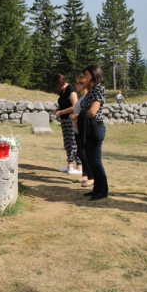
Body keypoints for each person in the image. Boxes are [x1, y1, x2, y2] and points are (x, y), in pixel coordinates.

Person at [80, 65, 109, 201]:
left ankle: (102, 190)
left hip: (95, 128)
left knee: (96, 161)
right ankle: (96, 188)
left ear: (94, 74)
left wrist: (79, 116)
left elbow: (92, 111)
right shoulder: (92, 89)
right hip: (89, 128)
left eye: (87, 74)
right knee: (91, 159)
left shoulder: (98, 88)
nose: (85, 77)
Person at [52, 73, 82, 175]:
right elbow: (63, 105)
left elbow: (75, 106)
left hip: (71, 120)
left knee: (73, 143)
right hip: (64, 120)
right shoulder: (62, 91)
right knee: (67, 143)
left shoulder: (71, 89)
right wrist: (57, 110)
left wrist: (61, 112)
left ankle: (79, 166)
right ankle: (70, 165)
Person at [69, 75, 94, 186]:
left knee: (82, 152)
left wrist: (75, 117)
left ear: (83, 85)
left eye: (77, 84)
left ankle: (91, 176)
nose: (76, 86)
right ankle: (85, 175)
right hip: (77, 128)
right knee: (80, 151)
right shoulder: (81, 98)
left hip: (82, 128)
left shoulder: (87, 97)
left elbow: (86, 113)